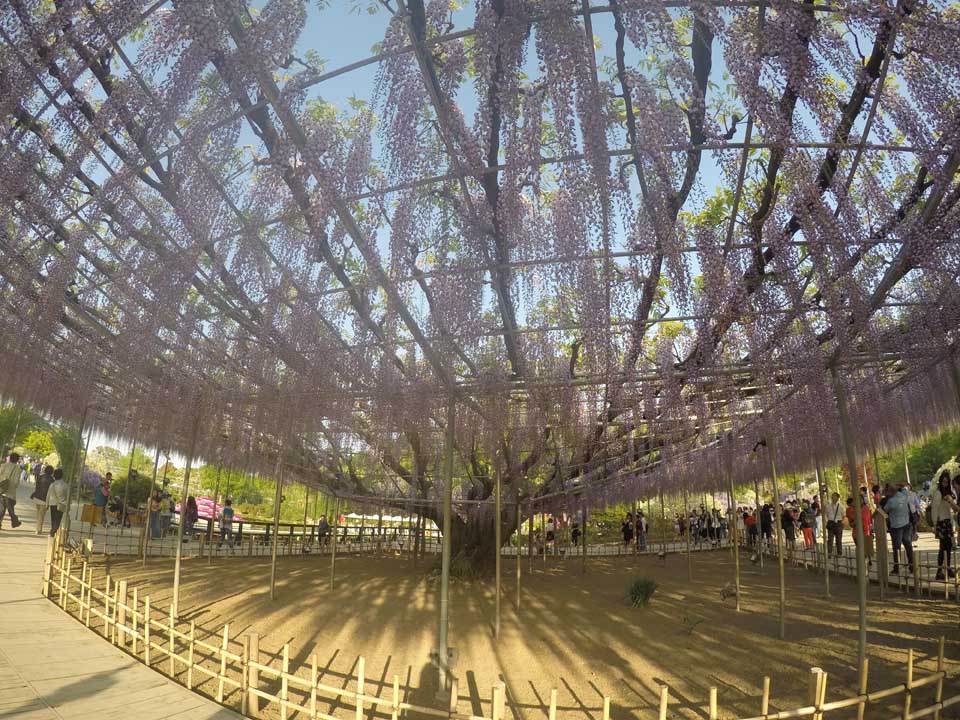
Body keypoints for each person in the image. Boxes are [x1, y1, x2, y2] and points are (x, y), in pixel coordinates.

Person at [931, 470, 958, 581]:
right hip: (941, 522)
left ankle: (947, 568)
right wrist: (934, 524)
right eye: (943, 482)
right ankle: (939, 571)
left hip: (948, 522)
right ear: (940, 482)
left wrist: (951, 500)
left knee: (948, 547)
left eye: (947, 482)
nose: (945, 484)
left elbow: (953, 508)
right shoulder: (938, 493)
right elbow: (934, 509)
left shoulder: (949, 493)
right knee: (942, 547)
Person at [883, 484, 914, 575]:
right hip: (906, 523)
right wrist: (897, 485)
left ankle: (897, 567)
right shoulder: (904, 494)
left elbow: (884, 510)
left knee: (897, 548)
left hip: (896, 526)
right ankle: (912, 565)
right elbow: (905, 486)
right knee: (908, 545)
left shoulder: (891, 501)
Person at [845, 495, 873, 563]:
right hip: (856, 531)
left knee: (866, 547)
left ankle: (868, 560)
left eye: (860, 499)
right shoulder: (852, 509)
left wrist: (855, 521)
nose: (858, 501)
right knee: (859, 547)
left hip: (865, 530)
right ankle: (863, 560)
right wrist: (853, 522)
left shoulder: (866, 508)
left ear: (863, 500)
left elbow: (861, 518)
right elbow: (851, 520)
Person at [0, 452, 23, 529]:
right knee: (10, 508)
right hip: (10, 492)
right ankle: (15, 521)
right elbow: (16, 482)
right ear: (17, 460)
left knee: (2, 508)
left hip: (1, 490)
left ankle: (13, 521)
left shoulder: (3, 465)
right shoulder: (18, 469)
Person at [31, 465, 54, 535]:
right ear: (52, 472)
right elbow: (51, 492)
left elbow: (36, 487)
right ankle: (38, 529)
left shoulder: (40, 477)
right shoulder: (52, 481)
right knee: (41, 515)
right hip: (44, 500)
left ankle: (38, 528)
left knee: (38, 514)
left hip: (37, 498)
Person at [46, 468, 69, 536]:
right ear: (62, 475)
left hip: (53, 504)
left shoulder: (52, 484)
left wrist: (47, 504)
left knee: (53, 519)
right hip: (61, 504)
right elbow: (67, 496)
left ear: (54, 476)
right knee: (58, 519)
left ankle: (53, 530)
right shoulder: (65, 485)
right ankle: (54, 530)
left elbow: (48, 495)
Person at [824, 492, 844, 557]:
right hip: (830, 523)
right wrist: (826, 522)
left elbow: (843, 516)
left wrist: (841, 523)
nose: (833, 497)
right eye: (832, 496)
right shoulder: (828, 506)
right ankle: (829, 552)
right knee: (830, 539)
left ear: (838, 498)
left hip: (838, 523)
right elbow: (825, 515)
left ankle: (839, 553)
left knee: (838, 539)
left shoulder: (841, 506)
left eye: (834, 496)